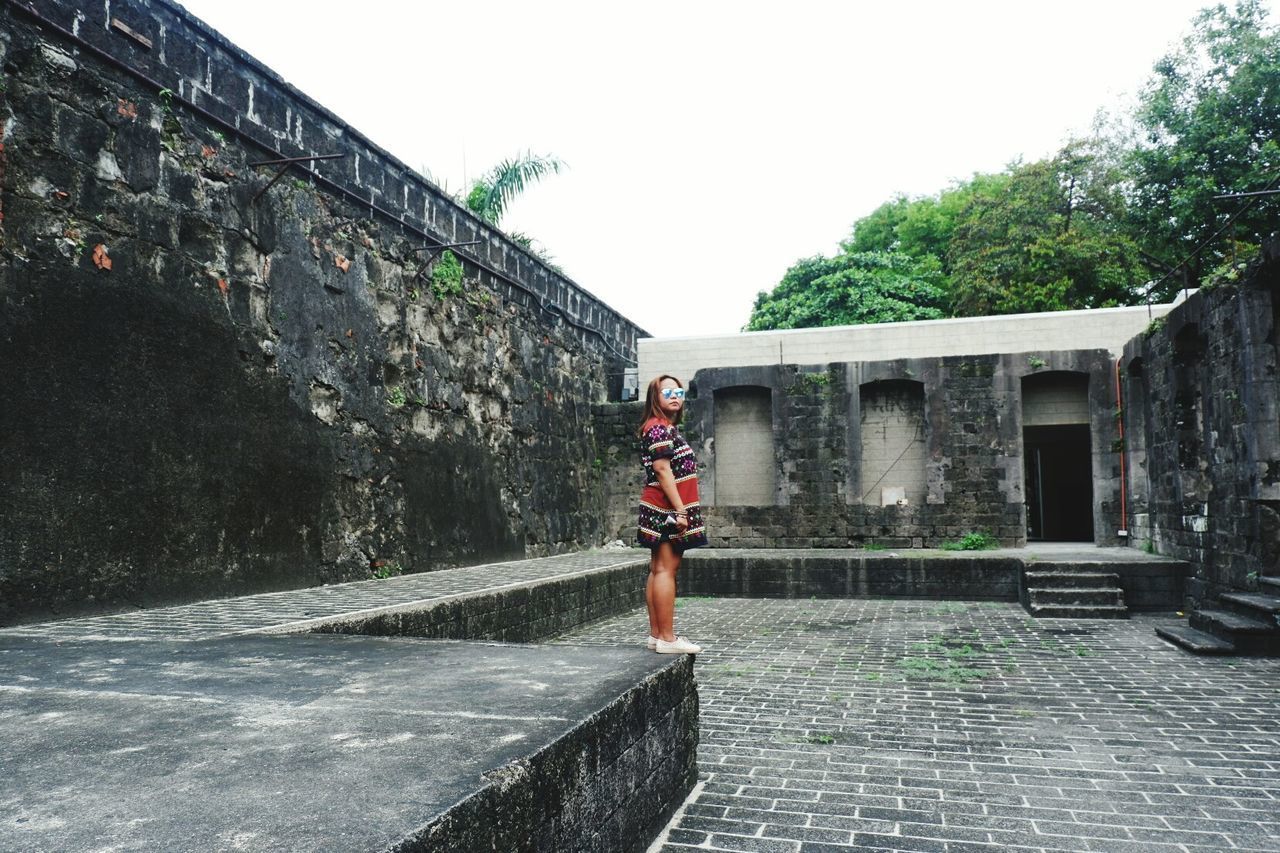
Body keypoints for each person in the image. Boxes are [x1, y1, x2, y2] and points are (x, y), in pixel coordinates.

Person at [636, 374, 707, 654]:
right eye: (667, 392)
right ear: (655, 398)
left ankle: (657, 636)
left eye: (678, 391)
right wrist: (680, 510)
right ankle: (667, 638)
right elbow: (663, 470)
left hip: (660, 506)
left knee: (658, 569)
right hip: (666, 508)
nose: (675, 396)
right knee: (666, 570)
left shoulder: (662, 427)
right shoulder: (658, 429)